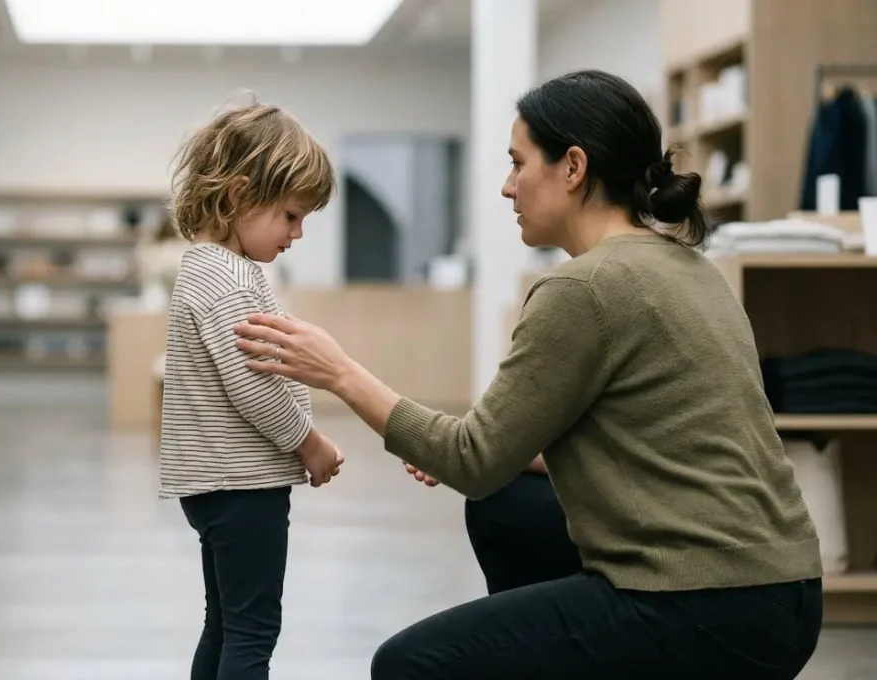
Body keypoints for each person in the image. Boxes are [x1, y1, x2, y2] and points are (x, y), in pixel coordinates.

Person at [233, 70, 824, 679]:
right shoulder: (689, 268)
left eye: (518, 164)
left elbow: (471, 460)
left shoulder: (584, 288)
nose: (507, 188)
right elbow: (644, 441)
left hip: (704, 603)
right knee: (510, 506)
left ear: (573, 167)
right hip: (786, 590)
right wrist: (495, 446)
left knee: (410, 665)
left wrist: (338, 372)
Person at [159, 100, 345, 680]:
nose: (297, 233)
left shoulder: (200, 266)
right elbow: (255, 388)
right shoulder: (232, 280)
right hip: (244, 484)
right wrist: (307, 441)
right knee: (253, 631)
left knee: (225, 622)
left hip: (212, 484)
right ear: (240, 195)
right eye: (290, 216)